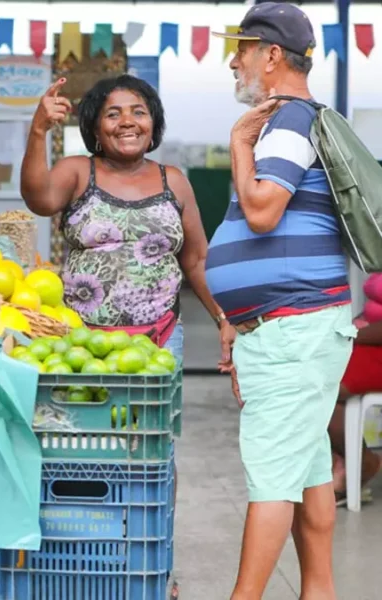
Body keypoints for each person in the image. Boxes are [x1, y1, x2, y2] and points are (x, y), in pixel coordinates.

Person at [206, 4, 358, 598]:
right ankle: (318, 590)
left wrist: (239, 145)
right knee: (308, 471)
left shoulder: (290, 120)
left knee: (272, 480)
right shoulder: (289, 121)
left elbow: (263, 211)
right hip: (288, 330)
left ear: (271, 55)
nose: (232, 60)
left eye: (241, 49)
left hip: (294, 330)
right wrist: (235, 319)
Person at [19, 74, 228, 365]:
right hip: (82, 341)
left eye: (139, 112)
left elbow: (196, 260)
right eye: (113, 114)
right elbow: (38, 200)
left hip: (161, 338)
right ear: (95, 128)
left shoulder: (175, 181)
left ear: (153, 124)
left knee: (154, 411)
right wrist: (39, 131)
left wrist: (223, 318)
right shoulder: (77, 171)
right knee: (92, 410)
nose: (127, 121)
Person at [329, 319, 382, 503]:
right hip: (370, 340)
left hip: (375, 345)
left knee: (320, 385)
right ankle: (349, 463)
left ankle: (360, 464)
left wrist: (351, 334)